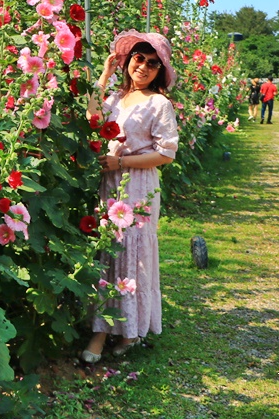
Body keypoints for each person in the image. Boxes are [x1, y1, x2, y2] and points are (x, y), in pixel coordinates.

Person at [81, 30, 179, 363]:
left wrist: (120, 162)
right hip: (110, 184)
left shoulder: (159, 103)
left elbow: (166, 154)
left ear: (160, 72)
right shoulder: (116, 99)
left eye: (153, 64)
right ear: (128, 61)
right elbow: (91, 117)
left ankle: (121, 330)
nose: (144, 67)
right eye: (139, 58)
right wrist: (105, 74)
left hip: (137, 185)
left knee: (131, 255)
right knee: (110, 254)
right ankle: (110, 328)